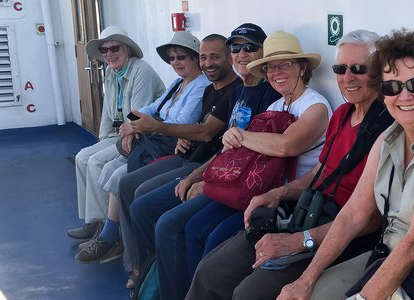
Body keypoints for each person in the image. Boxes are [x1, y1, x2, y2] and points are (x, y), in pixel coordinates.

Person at [186, 29, 394, 300]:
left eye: (359, 68)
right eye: (340, 68)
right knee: (210, 270)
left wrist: (300, 240)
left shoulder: (386, 129)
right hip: (306, 211)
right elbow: (320, 171)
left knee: (249, 292)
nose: (347, 77)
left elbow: (366, 220)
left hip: (340, 235)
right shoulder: (342, 114)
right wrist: (279, 193)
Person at [130, 30, 331, 300]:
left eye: (285, 64)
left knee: (212, 240)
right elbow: (236, 150)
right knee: (188, 228)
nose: (276, 72)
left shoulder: (315, 106)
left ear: (302, 67)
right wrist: (203, 171)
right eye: (271, 67)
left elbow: (286, 146)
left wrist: (241, 135)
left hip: (287, 199)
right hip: (253, 187)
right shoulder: (275, 104)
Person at [277, 29, 414, 300]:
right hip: (385, 255)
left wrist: (363, 297)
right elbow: (352, 215)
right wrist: (306, 279)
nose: (404, 96)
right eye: (392, 87)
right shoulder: (389, 138)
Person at [116, 24, 276, 287]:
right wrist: (196, 171)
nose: (242, 54)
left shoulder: (269, 96)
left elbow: (219, 140)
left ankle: (166, 283)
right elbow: (216, 138)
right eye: (236, 48)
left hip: (236, 183)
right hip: (208, 168)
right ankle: (152, 278)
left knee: (168, 223)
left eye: (249, 47)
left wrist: (202, 178)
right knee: (142, 203)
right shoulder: (237, 92)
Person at [72, 31, 210, 264]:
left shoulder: (200, 86)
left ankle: (112, 238)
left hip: (168, 146)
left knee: (118, 176)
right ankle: (109, 231)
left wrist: (140, 127)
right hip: (152, 140)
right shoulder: (178, 83)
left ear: (195, 58)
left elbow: (181, 122)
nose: (176, 62)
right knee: (105, 168)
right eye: (172, 58)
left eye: (182, 57)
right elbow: (152, 106)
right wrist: (133, 124)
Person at [69, 26, 164, 242]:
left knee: (95, 162)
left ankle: (106, 230)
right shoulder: (112, 74)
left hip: (143, 135)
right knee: (82, 157)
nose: (109, 53)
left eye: (114, 48)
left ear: (127, 49)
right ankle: (92, 221)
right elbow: (107, 112)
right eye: (105, 50)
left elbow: (138, 113)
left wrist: (125, 136)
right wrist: (101, 140)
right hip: (118, 132)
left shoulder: (142, 71)